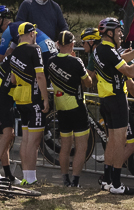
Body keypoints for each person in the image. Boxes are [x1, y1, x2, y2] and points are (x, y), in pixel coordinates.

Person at [93, 16, 134, 195]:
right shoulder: (109, 51)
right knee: (119, 143)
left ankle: (107, 180)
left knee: (112, 142)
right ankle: (116, 184)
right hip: (117, 100)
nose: (121, 34)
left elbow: (121, 58)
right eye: (118, 31)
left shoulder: (102, 49)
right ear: (109, 33)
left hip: (106, 100)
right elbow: (131, 71)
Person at [46, 31, 93, 187]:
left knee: (65, 147)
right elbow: (88, 83)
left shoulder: (50, 61)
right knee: (81, 147)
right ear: (72, 45)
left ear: (58, 44)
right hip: (77, 107)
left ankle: (65, 179)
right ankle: (76, 181)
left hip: (61, 108)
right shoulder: (76, 61)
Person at [8, 23, 50, 186]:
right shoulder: (35, 49)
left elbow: (12, 79)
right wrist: (45, 98)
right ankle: (31, 179)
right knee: (33, 142)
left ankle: (26, 177)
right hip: (34, 100)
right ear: (32, 34)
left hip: (20, 99)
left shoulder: (14, 52)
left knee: (25, 141)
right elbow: (40, 76)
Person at [0, 5, 57, 75]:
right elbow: (9, 51)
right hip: (52, 51)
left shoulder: (8, 31)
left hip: (44, 53)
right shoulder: (18, 26)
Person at [0, 56, 21, 185]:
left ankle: (8, 174)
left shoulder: (12, 57)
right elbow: (13, 79)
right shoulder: (18, 59)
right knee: (7, 135)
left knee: (6, 136)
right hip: (3, 99)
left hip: (3, 98)